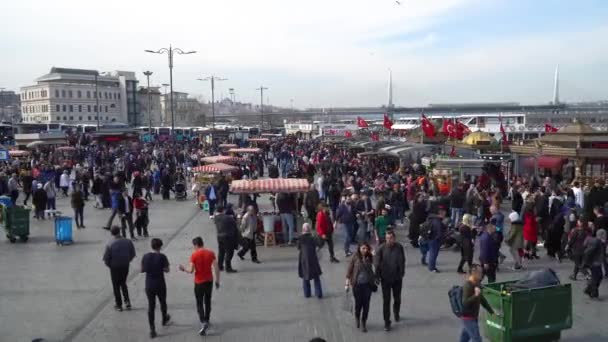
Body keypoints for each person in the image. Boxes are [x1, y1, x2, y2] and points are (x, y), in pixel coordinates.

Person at [179, 237, 220, 336]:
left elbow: (191, 270)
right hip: (209, 281)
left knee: (199, 302)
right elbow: (216, 268)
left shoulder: (194, 255)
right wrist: (217, 281)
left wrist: (183, 269)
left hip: (199, 282)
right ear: (202, 243)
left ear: (196, 245)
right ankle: (207, 319)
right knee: (208, 301)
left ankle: (203, 321)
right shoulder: (211, 253)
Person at [374, 230, 405, 331]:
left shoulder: (399, 247)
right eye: (387, 238)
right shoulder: (381, 248)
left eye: (391, 238)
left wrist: (402, 272)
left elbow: (403, 260)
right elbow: (376, 263)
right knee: (386, 301)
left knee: (397, 298)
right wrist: (377, 276)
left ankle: (396, 312)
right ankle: (387, 322)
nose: (389, 240)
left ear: (394, 238)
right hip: (385, 279)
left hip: (397, 278)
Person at [141, 238, 171, 338]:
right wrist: (160, 267)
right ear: (160, 247)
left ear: (151, 246)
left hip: (149, 285)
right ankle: (164, 318)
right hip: (160, 284)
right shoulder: (162, 257)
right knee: (163, 302)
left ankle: (152, 329)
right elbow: (167, 270)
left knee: (151, 306)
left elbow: (142, 270)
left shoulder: (145, 256)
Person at [460, 264, 496, 342]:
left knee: (464, 337)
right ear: (473, 273)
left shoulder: (476, 283)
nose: (482, 274)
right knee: (477, 339)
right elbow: (465, 303)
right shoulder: (468, 285)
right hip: (468, 318)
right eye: (480, 272)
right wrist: (475, 295)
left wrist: (491, 312)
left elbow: (482, 299)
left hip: (473, 316)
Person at [103, 226, 136, 312]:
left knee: (116, 286)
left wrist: (110, 265)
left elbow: (106, 258)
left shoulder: (110, 244)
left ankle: (119, 305)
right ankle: (127, 301)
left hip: (114, 267)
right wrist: (127, 260)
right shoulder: (128, 241)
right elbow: (132, 254)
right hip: (125, 266)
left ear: (111, 233)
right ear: (120, 231)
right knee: (123, 283)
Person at [346, 242, 375, 333]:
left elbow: (377, 265)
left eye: (366, 248)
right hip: (357, 285)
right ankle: (357, 316)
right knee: (358, 304)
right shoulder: (355, 257)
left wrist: (373, 255)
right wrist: (346, 284)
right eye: (363, 248)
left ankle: (363, 322)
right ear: (359, 249)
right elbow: (349, 270)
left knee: (366, 305)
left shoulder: (370, 257)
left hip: (367, 285)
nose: (365, 250)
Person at [298, 223, 323, 298]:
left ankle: (307, 293)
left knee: (305, 276)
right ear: (309, 229)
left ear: (303, 230)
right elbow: (319, 245)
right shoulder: (313, 238)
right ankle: (318, 293)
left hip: (304, 259)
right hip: (313, 258)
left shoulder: (300, 238)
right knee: (316, 276)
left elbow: (299, 248)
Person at [213, 205, 238, 273]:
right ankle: (228, 267)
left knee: (221, 252)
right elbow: (234, 225)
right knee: (229, 252)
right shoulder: (228, 218)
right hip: (227, 237)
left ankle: (220, 266)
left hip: (219, 236)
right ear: (223, 210)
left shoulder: (216, 217)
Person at [583, 229, 606, 299]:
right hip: (594, 263)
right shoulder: (597, 242)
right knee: (596, 278)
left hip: (596, 263)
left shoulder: (599, 242)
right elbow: (588, 252)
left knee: (598, 277)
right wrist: (586, 262)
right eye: (604, 234)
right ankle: (593, 292)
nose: (606, 236)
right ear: (601, 235)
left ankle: (590, 290)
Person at [427, 205, 447, 273]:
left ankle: (431, 266)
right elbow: (439, 233)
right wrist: (441, 240)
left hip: (431, 238)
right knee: (433, 254)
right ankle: (432, 268)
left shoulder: (432, 218)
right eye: (444, 213)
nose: (445, 214)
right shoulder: (437, 221)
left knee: (431, 253)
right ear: (441, 213)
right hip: (435, 239)